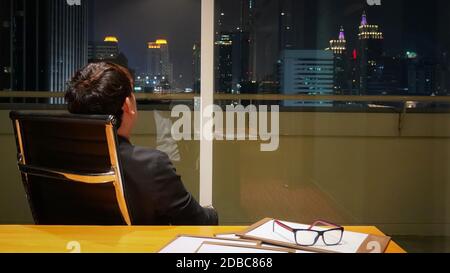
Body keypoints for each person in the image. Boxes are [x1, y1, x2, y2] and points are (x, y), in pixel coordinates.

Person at [65, 62, 218, 225]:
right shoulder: (151, 165)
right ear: (127, 105)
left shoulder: (56, 157)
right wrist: (212, 211)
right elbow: (199, 222)